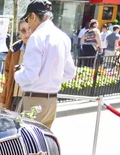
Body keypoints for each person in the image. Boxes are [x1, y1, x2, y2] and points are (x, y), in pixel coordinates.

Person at [14, 0, 76, 129]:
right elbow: (70, 72)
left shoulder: (37, 37)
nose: (28, 24)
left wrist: (18, 73)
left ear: (33, 16)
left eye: (27, 19)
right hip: (52, 101)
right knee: (43, 143)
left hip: (34, 100)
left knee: (28, 144)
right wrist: (50, 80)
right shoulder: (63, 37)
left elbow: (30, 76)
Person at [0, 20, 31, 111]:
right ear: (19, 33)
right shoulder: (14, 49)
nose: (27, 33)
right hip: (14, 98)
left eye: (29, 29)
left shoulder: (41, 48)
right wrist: (2, 100)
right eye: (23, 31)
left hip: (32, 98)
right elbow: (8, 78)